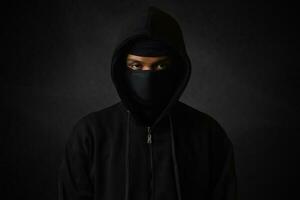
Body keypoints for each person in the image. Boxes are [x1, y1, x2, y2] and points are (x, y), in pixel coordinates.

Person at [57, 6, 238, 200]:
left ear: (176, 68)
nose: (148, 76)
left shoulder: (208, 136)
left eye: (160, 65)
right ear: (122, 68)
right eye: (136, 65)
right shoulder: (89, 135)